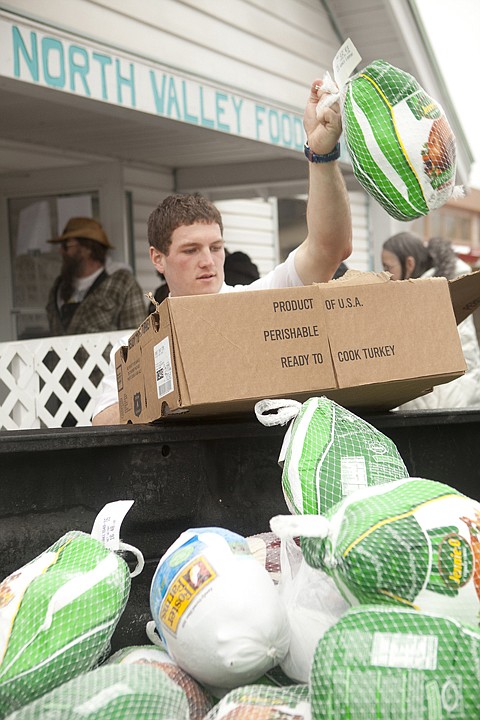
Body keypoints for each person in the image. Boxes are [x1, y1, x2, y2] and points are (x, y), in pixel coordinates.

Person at [92, 77, 352, 425]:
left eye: (216, 247)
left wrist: (321, 155)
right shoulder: (136, 347)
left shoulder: (257, 302)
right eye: (190, 250)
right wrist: (169, 377)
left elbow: (329, 248)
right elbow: (100, 422)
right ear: (158, 258)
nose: (208, 261)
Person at [381, 231, 480, 409]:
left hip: (445, 404)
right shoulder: (448, 286)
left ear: (409, 263)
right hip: (464, 399)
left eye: (388, 268)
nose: (384, 275)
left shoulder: (427, 295)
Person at [46, 217, 147, 335]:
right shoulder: (59, 287)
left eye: (66, 246)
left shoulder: (121, 283)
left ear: (87, 248)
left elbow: (139, 335)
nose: (61, 252)